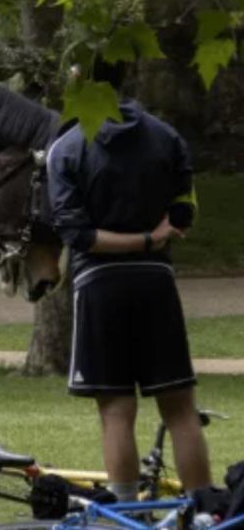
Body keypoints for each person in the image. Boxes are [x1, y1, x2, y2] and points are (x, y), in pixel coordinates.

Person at [46, 59, 211, 504]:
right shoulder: (166, 136)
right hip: (157, 282)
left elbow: (76, 234)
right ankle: (203, 511)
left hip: (99, 287)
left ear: (79, 80)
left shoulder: (66, 148)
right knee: (181, 409)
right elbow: (185, 210)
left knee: (117, 411)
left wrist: (134, 239)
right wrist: (154, 237)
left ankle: (125, 512)